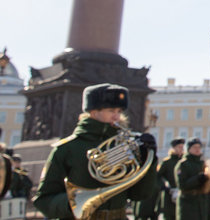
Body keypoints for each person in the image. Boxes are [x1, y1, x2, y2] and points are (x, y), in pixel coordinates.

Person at [33, 83, 159, 219]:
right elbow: (43, 200)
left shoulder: (125, 145)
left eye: (119, 111)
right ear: (93, 112)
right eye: (111, 111)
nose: (116, 117)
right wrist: (73, 205)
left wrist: (148, 160)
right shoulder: (67, 148)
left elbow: (140, 195)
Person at [175, 138, 207, 220]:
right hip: (187, 203)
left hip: (200, 203)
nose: (197, 149)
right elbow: (182, 185)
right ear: (188, 149)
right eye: (194, 147)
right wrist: (198, 179)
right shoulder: (183, 164)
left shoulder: (203, 164)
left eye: (199, 147)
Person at [158, 137, 185, 220]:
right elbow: (158, 176)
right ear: (174, 148)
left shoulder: (184, 161)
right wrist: (164, 185)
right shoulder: (167, 162)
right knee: (169, 216)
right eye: (179, 147)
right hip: (169, 193)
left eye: (182, 147)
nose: (181, 149)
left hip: (182, 193)